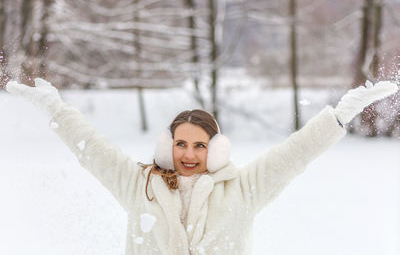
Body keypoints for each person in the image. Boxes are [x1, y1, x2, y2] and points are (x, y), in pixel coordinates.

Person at [5, 78, 398, 255]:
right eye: (180, 144)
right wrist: (55, 108)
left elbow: (294, 154)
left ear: (216, 149)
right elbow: (92, 148)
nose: (188, 155)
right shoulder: (139, 184)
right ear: (167, 145)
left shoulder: (244, 187)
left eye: (199, 145)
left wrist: (340, 114)